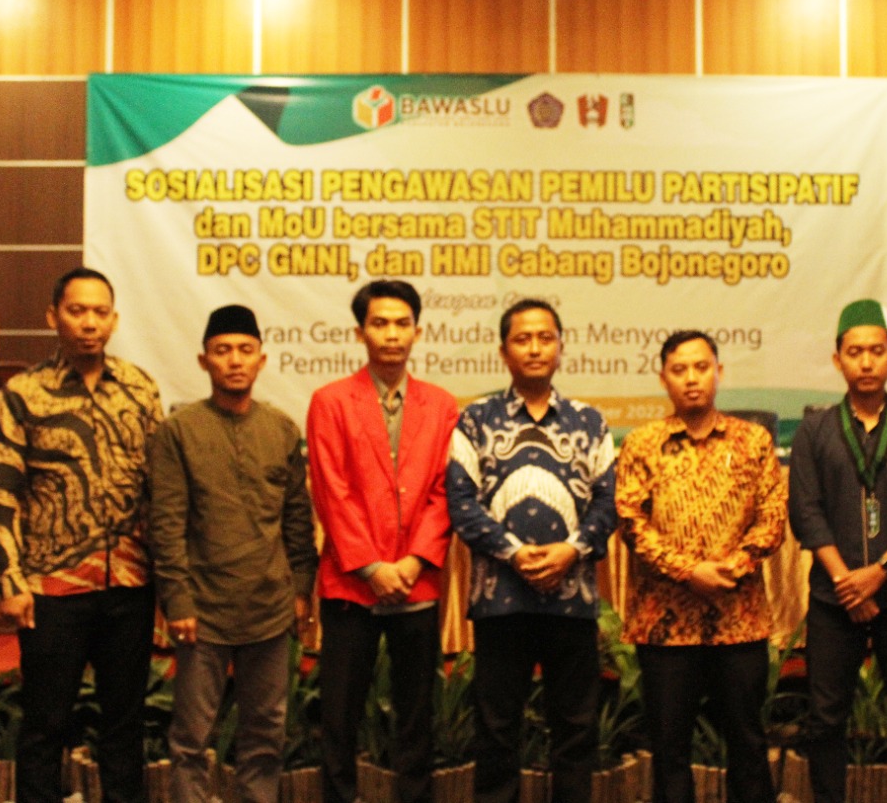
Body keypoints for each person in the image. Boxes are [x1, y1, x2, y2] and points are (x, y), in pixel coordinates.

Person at [0, 267, 162, 803]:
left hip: (130, 583)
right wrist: (9, 580)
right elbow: (0, 492)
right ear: (53, 317)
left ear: (114, 319)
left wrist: (168, 582)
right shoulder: (22, 394)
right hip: (51, 588)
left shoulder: (140, 389)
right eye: (77, 311)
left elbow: (160, 491)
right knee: (46, 723)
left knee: (125, 725)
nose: (89, 323)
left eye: (100, 312)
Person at [447, 298, 617, 803]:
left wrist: (571, 550)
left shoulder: (590, 422)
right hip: (501, 601)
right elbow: (461, 503)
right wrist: (515, 553)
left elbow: (609, 502)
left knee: (575, 728)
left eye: (545, 338)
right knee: (496, 728)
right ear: (504, 352)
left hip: (572, 600)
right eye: (523, 339)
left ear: (561, 347)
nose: (535, 348)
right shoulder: (475, 420)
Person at [148, 304, 317, 803]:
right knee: (191, 738)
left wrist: (300, 590)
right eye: (223, 351)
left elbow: (297, 520)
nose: (235, 360)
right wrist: (177, 600)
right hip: (203, 612)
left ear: (262, 359)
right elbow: (167, 524)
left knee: (265, 734)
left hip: (270, 608)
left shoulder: (281, 429)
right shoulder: (179, 431)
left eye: (245, 350)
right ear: (204, 361)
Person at [306, 280, 460, 803]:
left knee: (416, 715)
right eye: (380, 324)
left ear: (418, 331)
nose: (391, 334)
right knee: (339, 714)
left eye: (401, 324)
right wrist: (373, 567)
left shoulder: (441, 405)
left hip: (417, 582)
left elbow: (445, 490)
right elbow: (331, 490)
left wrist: (413, 562)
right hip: (351, 584)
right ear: (360, 332)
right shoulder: (330, 401)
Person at [616, 331, 786, 803]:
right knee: (669, 750)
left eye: (701, 367)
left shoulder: (752, 441)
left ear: (719, 372)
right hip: (665, 626)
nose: (692, 378)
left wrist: (736, 565)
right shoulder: (642, 444)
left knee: (748, 744)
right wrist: (688, 571)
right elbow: (631, 522)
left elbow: (773, 517)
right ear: (663, 379)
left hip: (738, 619)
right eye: (679, 370)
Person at [788, 299, 887, 803]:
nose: (867, 362)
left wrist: (879, 573)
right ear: (838, 360)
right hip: (834, 601)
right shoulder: (814, 431)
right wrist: (847, 583)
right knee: (824, 721)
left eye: (877, 351)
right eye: (855, 352)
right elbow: (806, 512)